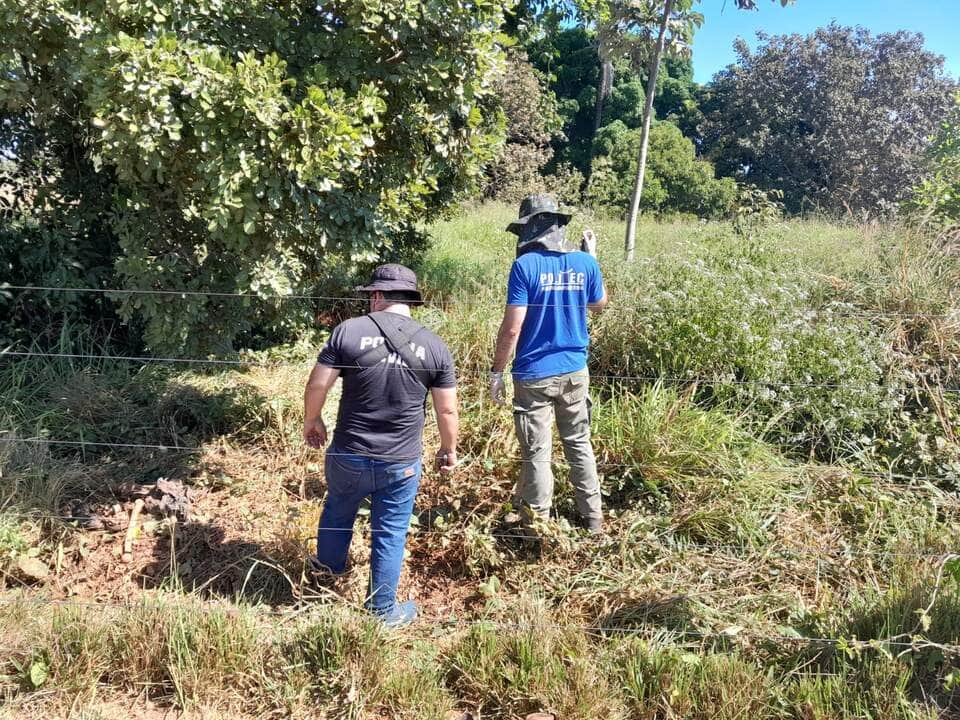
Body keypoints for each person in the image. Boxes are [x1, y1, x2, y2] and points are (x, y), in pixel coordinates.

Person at [303, 263, 458, 627]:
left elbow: (317, 385)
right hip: (400, 461)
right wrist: (449, 449)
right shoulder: (435, 346)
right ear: (410, 301)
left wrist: (312, 420)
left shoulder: (348, 331)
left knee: (338, 510)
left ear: (376, 295)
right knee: (390, 531)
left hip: (348, 452)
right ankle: (382, 612)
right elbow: (447, 408)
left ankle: (326, 578)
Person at [489, 194, 608, 533]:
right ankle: (593, 519)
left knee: (537, 451)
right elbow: (598, 304)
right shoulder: (585, 263)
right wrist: (593, 259)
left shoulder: (525, 267)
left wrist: (497, 371)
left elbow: (512, 328)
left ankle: (536, 524)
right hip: (574, 371)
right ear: (557, 226)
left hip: (533, 374)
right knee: (579, 443)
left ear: (529, 229)